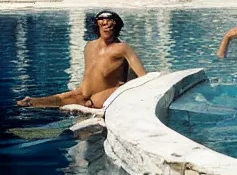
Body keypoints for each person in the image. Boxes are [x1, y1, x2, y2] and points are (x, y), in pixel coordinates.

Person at [17, 10, 147, 109]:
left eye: (111, 20)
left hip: (105, 96)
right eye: (102, 20)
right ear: (97, 24)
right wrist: (79, 92)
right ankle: (31, 101)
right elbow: (91, 76)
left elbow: (143, 78)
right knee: (48, 100)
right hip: (84, 93)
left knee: (85, 102)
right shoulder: (89, 47)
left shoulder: (123, 48)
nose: (106, 23)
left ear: (116, 24)